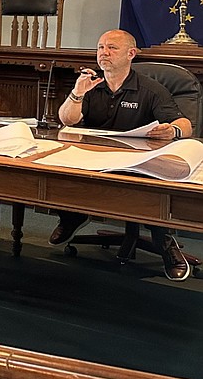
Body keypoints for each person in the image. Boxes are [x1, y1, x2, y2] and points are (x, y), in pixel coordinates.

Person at [51, 29, 193, 281]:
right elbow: (67, 120)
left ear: (131, 54)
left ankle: (164, 242)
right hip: (95, 156)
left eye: (112, 48)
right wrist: (77, 93)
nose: (104, 53)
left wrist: (171, 130)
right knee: (59, 167)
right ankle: (72, 216)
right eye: (100, 47)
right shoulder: (91, 85)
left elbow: (185, 124)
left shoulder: (150, 89)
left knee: (155, 184)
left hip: (138, 160)